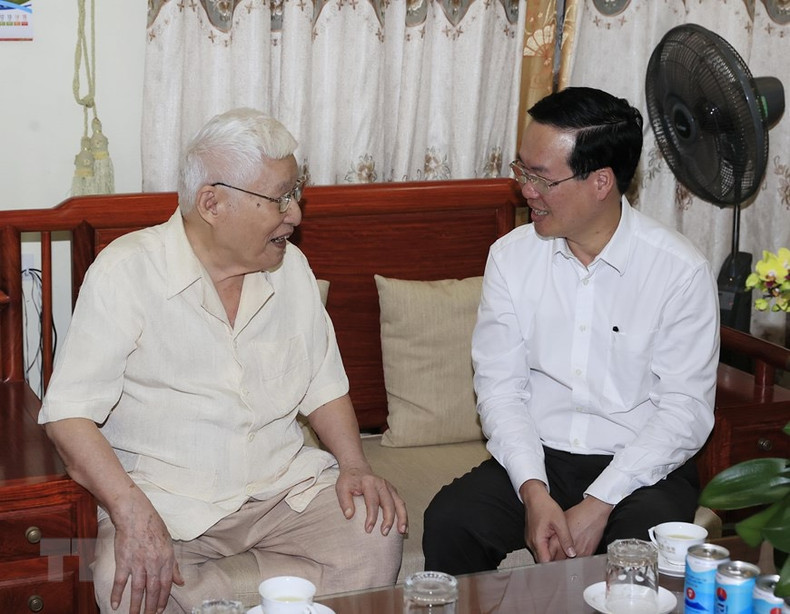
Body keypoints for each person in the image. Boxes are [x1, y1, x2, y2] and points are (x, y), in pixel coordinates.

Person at [39, 108, 407, 614]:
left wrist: (355, 464)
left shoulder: (291, 269)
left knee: (374, 530)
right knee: (122, 581)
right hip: (168, 501)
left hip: (281, 492)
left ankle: (217, 594)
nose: (295, 213)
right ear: (211, 203)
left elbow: (324, 386)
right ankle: (249, 591)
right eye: (279, 198)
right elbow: (68, 415)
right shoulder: (127, 272)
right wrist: (129, 510)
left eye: (296, 191)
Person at [422, 87, 719, 574]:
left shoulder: (678, 271)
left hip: (642, 466)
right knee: (452, 520)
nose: (526, 190)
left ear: (601, 181)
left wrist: (600, 500)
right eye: (522, 170)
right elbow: (500, 388)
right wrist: (533, 491)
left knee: (638, 554)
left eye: (541, 177)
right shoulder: (511, 257)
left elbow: (683, 411)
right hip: (542, 456)